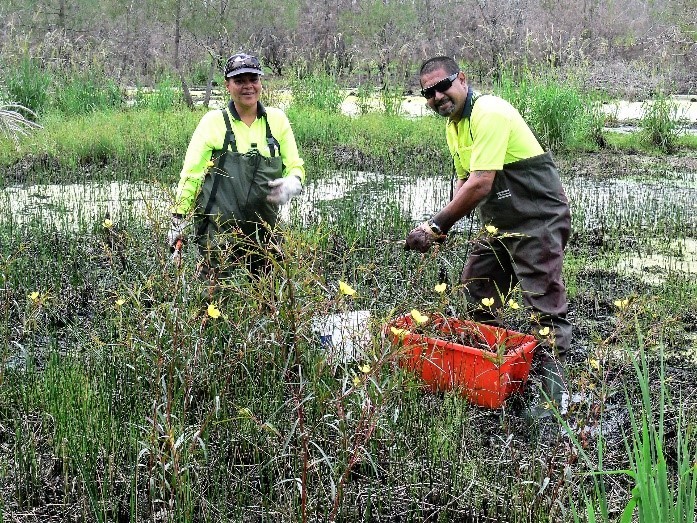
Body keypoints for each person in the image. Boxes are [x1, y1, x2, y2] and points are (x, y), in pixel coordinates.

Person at [405, 56, 572, 418]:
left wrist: (436, 226)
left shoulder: (489, 112)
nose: (437, 96)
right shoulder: (454, 126)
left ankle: (550, 406)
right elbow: (464, 180)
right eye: (428, 93)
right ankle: (496, 377)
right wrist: (444, 225)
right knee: (477, 291)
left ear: (462, 79)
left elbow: (482, 182)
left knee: (544, 308)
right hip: (498, 225)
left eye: (442, 85)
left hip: (537, 218)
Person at [167, 52, 305, 281]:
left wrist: (294, 182)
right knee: (216, 297)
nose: (248, 86)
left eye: (253, 79)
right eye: (239, 81)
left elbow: (295, 165)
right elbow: (191, 175)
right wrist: (177, 220)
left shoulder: (277, 120)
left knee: (271, 296)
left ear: (261, 82)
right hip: (217, 233)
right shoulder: (213, 122)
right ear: (227, 86)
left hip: (264, 230)